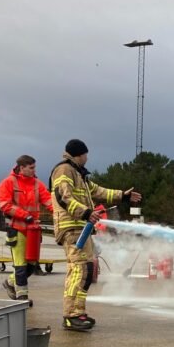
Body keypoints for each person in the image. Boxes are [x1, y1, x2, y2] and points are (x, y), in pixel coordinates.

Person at [50, 139, 141, 331]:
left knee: (88, 269)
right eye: (85, 154)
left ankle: (78, 312)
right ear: (78, 154)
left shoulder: (79, 174)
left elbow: (99, 191)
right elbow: (63, 196)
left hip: (82, 228)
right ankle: (70, 315)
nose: (87, 157)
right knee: (79, 270)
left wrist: (122, 196)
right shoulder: (64, 170)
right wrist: (85, 212)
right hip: (72, 228)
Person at [0, 155, 53, 302]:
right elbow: (5, 205)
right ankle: (22, 297)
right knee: (20, 265)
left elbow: (49, 201)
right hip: (17, 228)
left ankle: (10, 282)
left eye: (34, 167)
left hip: (33, 231)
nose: (34, 170)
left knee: (32, 264)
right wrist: (25, 215)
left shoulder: (37, 184)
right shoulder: (8, 183)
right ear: (22, 168)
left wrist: (60, 213)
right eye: (31, 168)